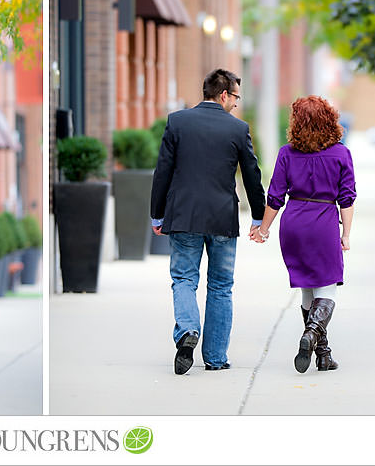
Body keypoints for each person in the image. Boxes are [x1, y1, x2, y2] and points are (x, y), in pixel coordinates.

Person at [150, 68, 265, 374]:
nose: (236, 105)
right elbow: (252, 176)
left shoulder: (178, 122)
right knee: (221, 286)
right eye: (236, 97)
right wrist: (258, 216)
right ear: (224, 94)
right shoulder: (238, 129)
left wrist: (157, 213)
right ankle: (215, 358)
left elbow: (163, 171)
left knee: (185, 278)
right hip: (222, 218)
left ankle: (188, 329)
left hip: (184, 215)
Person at [251, 95, 356, 373]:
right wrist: (346, 234)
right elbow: (347, 198)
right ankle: (311, 333)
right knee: (327, 286)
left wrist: (263, 229)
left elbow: (275, 197)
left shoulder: (287, 153)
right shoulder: (341, 153)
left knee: (308, 287)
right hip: (323, 222)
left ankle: (323, 354)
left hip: (294, 222)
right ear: (329, 120)